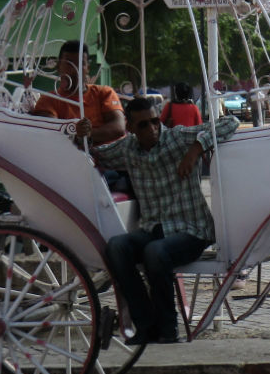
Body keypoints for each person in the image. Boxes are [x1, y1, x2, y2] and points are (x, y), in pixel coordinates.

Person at [93, 97, 239, 343]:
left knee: (155, 252)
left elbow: (230, 122)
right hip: (154, 229)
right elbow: (96, 155)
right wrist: (82, 135)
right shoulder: (127, 148)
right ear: (130, 127)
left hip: (192, 229)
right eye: (143, 125)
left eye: (154, 122)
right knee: (117, 247)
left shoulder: (177, 137)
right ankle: (145, 325)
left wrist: (195, 150)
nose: (151, 129)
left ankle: (168, 329)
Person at [32, 40, 126, 145]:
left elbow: (119, 127)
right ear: (59, 66)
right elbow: (55, 135)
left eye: (81, 63)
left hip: (113, 153)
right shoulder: (48, 100)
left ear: (88, 68)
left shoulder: (104, 92)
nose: (74, 69)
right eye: (69, 63)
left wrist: (89, 134)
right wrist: (80, 135)